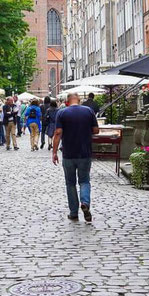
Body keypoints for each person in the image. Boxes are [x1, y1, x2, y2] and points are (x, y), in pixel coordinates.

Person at [53, 92, 99, 221]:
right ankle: (85, 203)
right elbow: (96, 130)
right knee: (84, 181)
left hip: (68, 153)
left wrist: (54, 152)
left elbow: (58, 133)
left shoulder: (62, 113)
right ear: (79, 100)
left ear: (67, 101)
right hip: (84, 152)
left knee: (70, 183)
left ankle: (73, 212)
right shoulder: (88, 111)